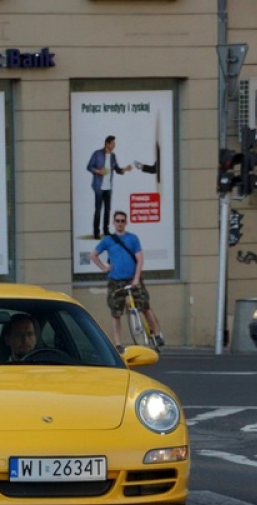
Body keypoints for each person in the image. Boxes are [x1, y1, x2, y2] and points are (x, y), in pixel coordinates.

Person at [93, 211, 163, 349]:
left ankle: (157, 334)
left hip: (132, 279)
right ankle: (118, 343)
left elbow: (140, 259)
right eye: (117, 221)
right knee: (116, 312)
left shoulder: (133, 238)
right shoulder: (108, 240)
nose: (120, 223)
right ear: (114, 223)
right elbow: (93, 255)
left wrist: (136, 278)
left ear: (126, 222)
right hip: (115, 281)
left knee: (145, 306)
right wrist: (104, 268)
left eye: (122, 221)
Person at [86, 135, 132, 240]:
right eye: (113, 144)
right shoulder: (97, 154)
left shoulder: (113, 156)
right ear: (107, 143)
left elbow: (117, 169)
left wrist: (125, 169)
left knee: (107, 210)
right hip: (98, 187)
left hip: (108, 187)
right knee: (98, 210)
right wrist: (98, 171)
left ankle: (106, 230)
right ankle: (96, 232)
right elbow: (89, 167)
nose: (114, 146)